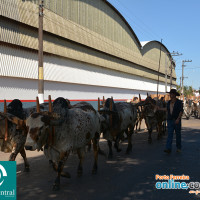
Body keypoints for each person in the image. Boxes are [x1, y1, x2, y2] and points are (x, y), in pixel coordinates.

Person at [157, 89, 183, 153]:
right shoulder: (168, 102)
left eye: (171, 94)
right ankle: (168, 148)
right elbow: (167, 109)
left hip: (177, 121)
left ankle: (178, 148)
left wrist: (178, 119)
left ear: (174, 95)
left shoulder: (179, 102)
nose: (170, 95)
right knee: (169, 135)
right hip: (170, 120)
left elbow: (181, 111)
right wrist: (159, 108)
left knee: (178, 135)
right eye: (170, 94)